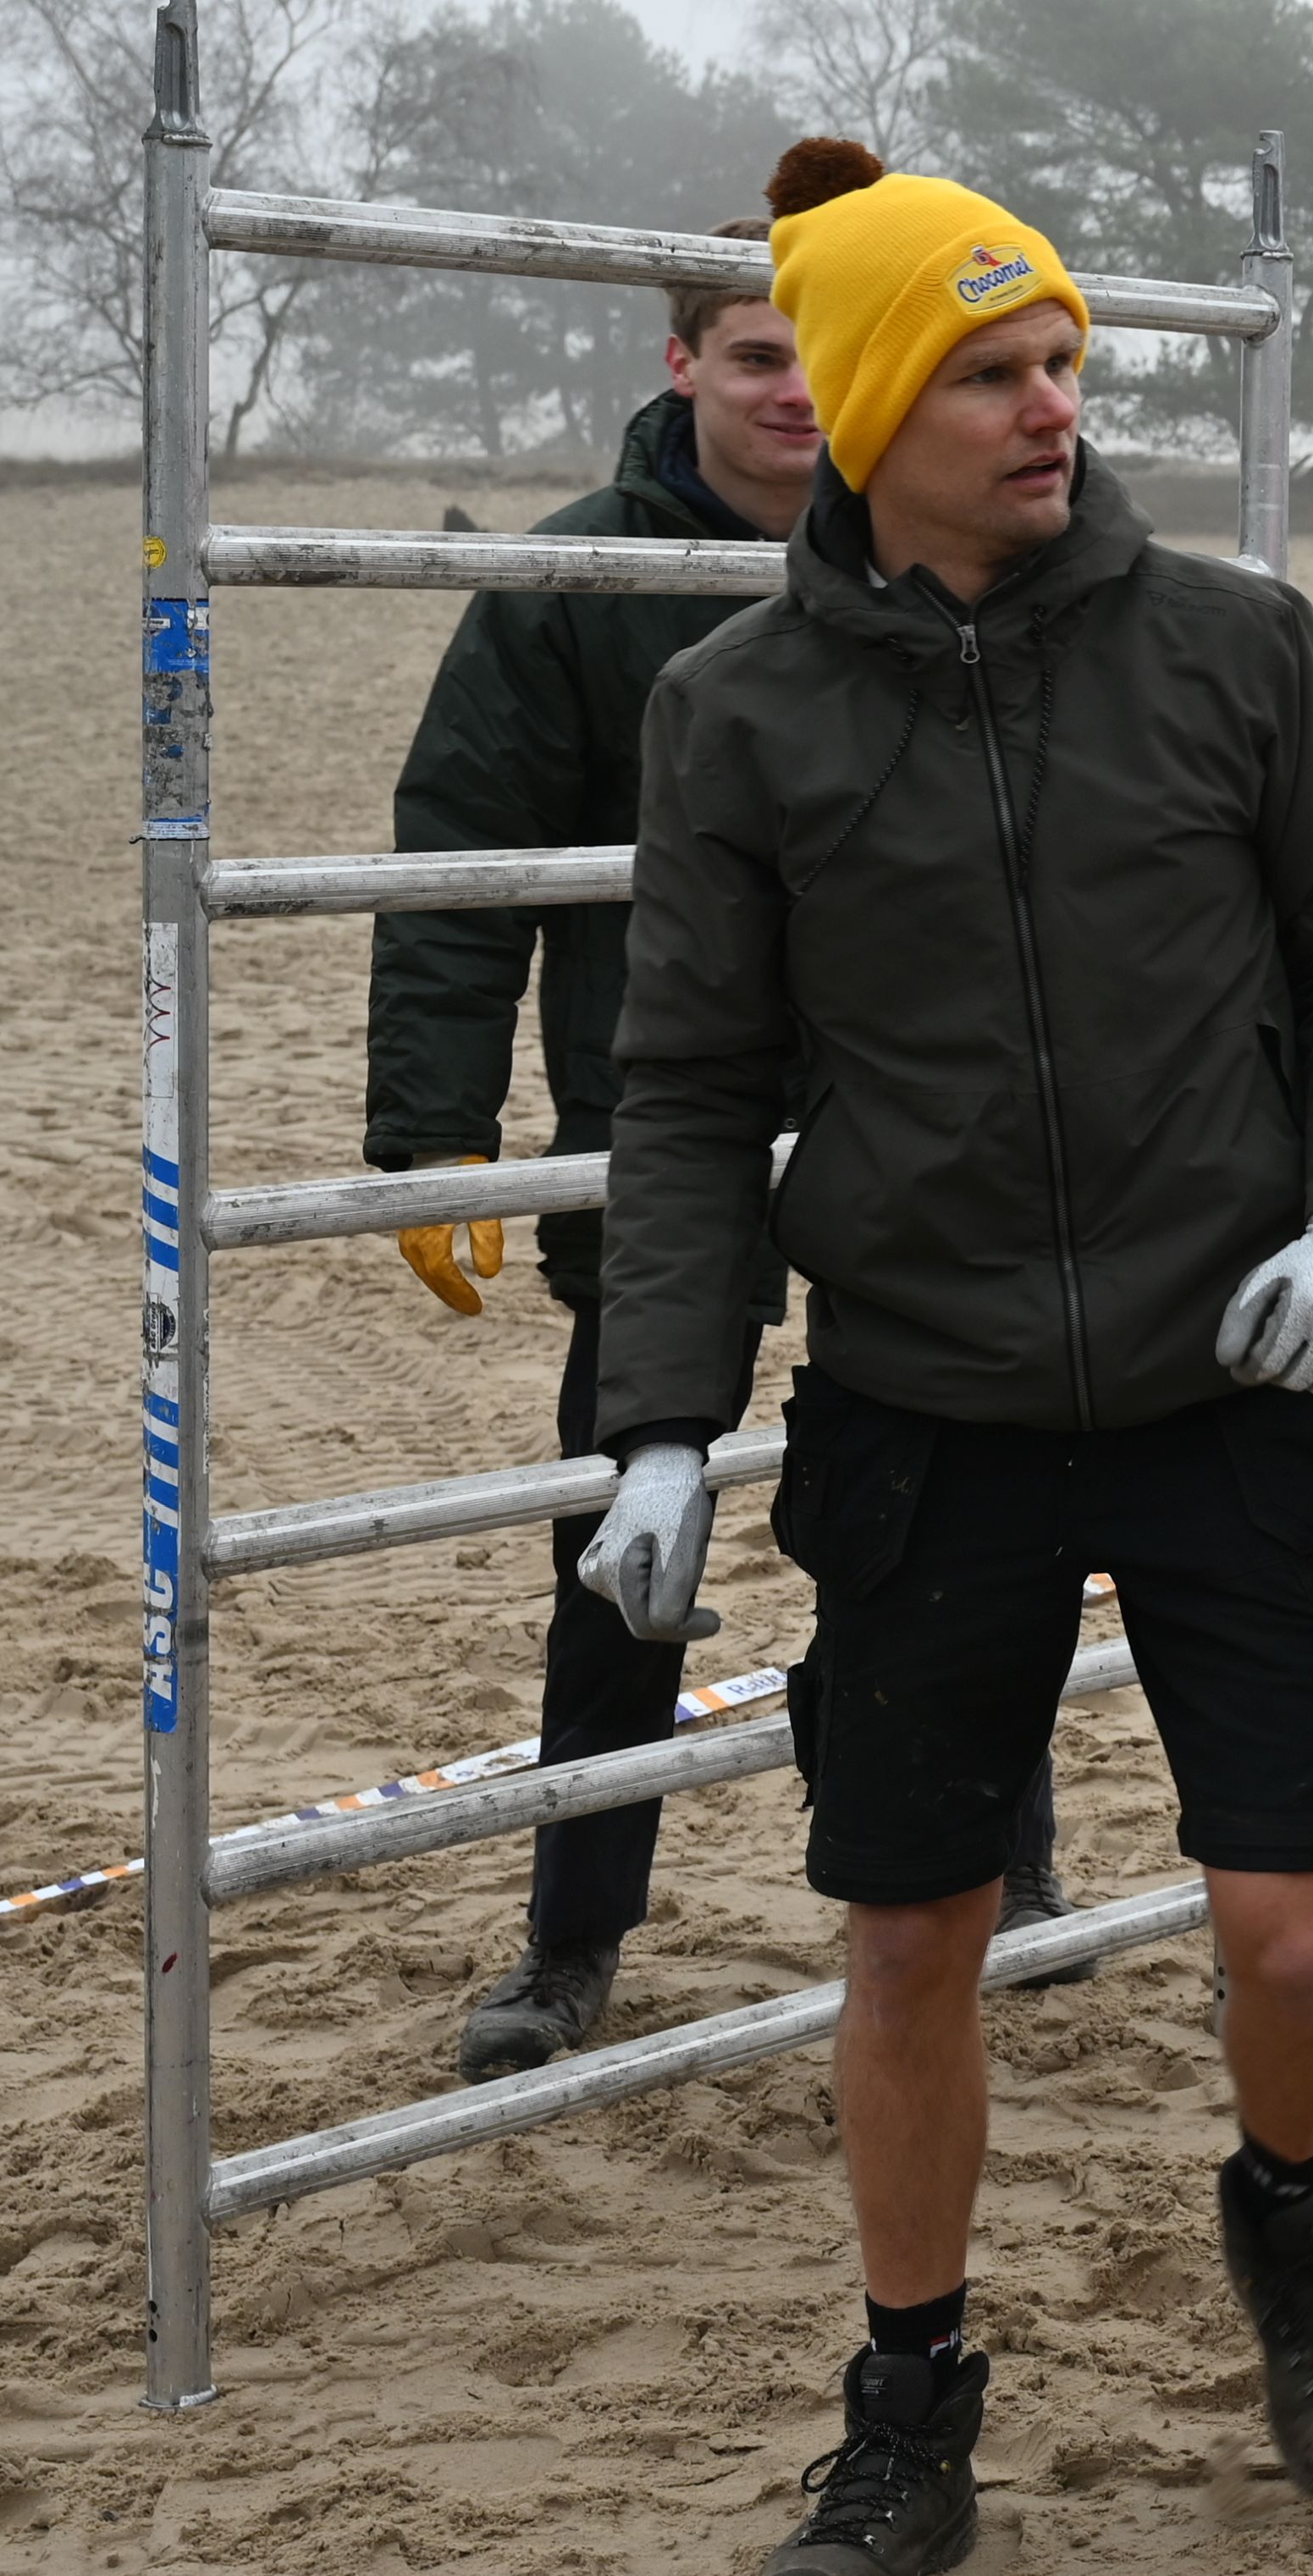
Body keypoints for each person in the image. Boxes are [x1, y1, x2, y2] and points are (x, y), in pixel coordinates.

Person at [582, 137, 1313, 2576]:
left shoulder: (1238, 648)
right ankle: (909, 2405)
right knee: (909, 1942)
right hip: (925, 1411)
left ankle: (1289, 2220)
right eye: (992, 373)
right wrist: (664, 1422)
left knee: (1294, 1937)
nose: (1054, 406)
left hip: (1237, 1384)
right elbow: (686, 1089)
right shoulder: (734, 716)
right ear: (876, 413)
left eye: (1064, 359)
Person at [367, 239, 1090, 2088]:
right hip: (661, 1126)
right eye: (754, 357)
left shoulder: (935, 547)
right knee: (624, 1544)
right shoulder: (566, 584)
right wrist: (434, 1124)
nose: (792, 393)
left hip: (911, 1127)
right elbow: (464, 851)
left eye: (813, 358)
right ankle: (573, 1935)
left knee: (956, 1512)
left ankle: (1005, 1869)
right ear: (679, 361)